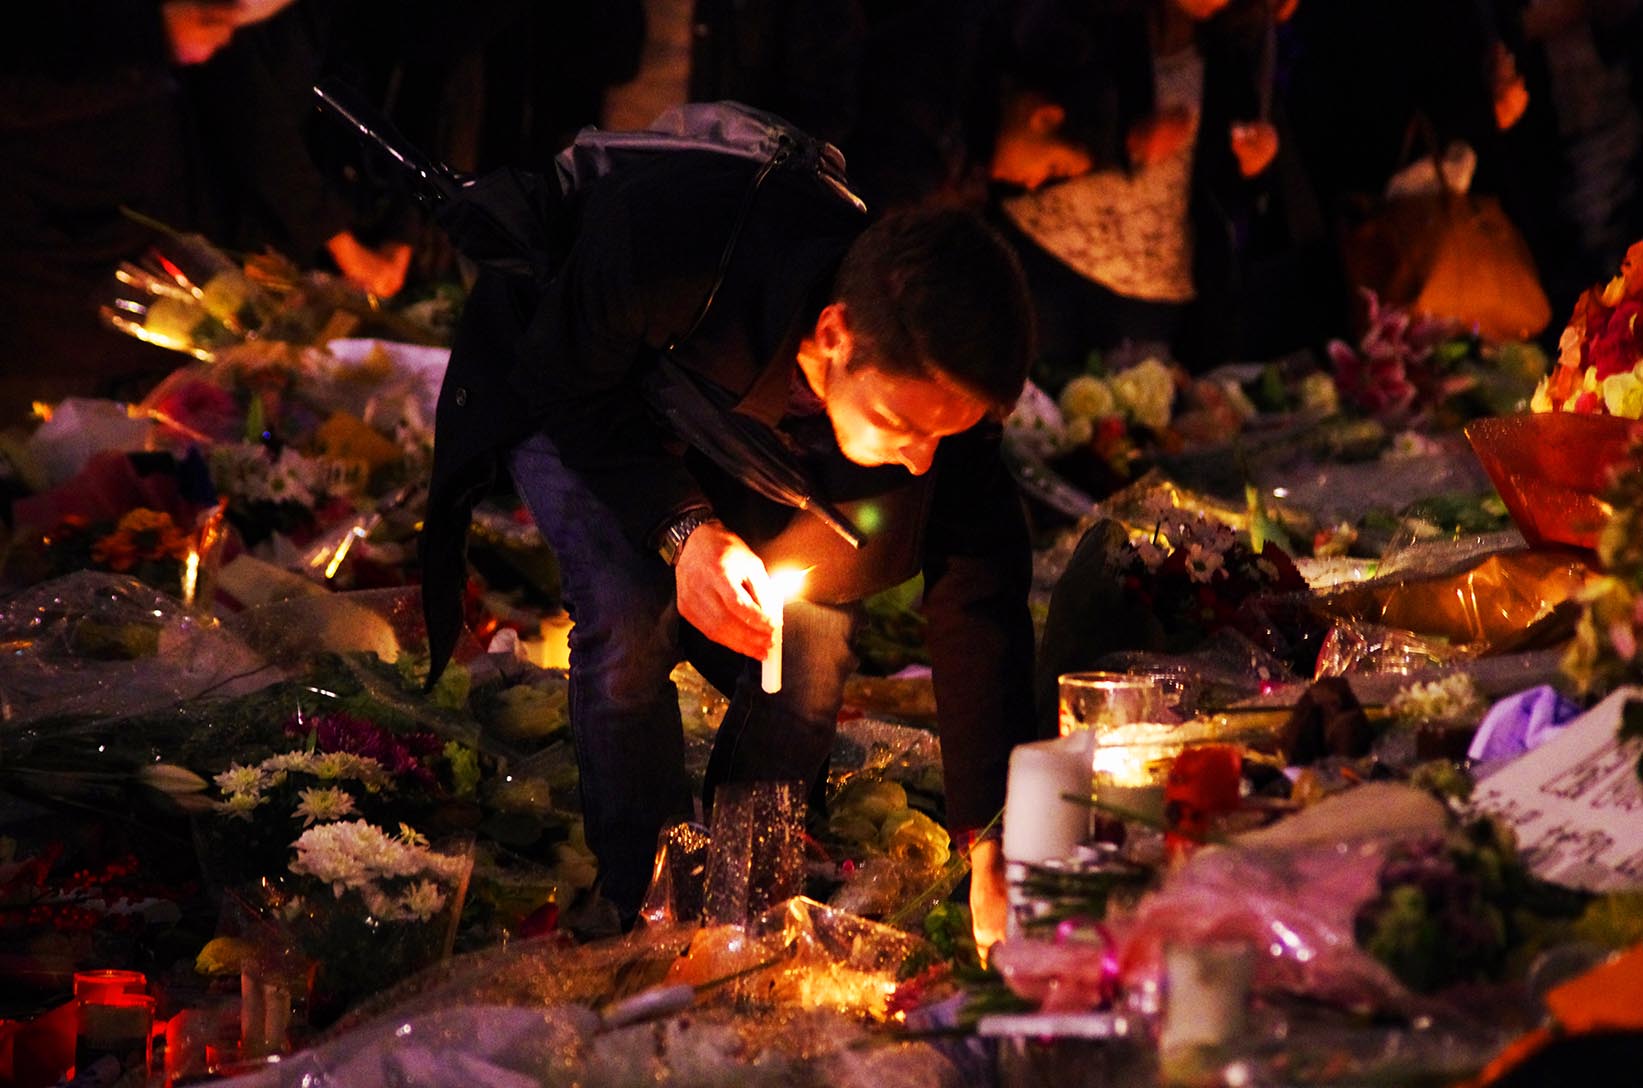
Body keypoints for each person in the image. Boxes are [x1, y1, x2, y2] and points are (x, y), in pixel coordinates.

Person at [422, 140, 1038, 947]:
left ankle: (746, 904)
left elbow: (981, 608)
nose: (921, 457)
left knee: (810, 654)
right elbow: (565, 384)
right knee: (628, 616)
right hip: (584, 398)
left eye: (944, 436)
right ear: (833, 335)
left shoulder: (940, 408)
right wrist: (684, 531)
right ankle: (644, 903)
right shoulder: (674, 249)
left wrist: (991, 835)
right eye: (901, 425)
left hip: (752, 445)